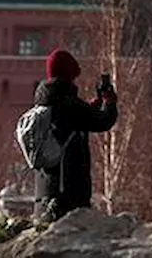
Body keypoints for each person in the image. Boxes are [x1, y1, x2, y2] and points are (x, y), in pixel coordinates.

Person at [32, 48, 118, 222]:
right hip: (68, 196)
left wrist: (94, 103)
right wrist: (109, 101)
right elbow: (103, 121)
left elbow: (75, 119)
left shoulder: (46, 102)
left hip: (45, 194)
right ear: (68, 74)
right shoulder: (69, 105)